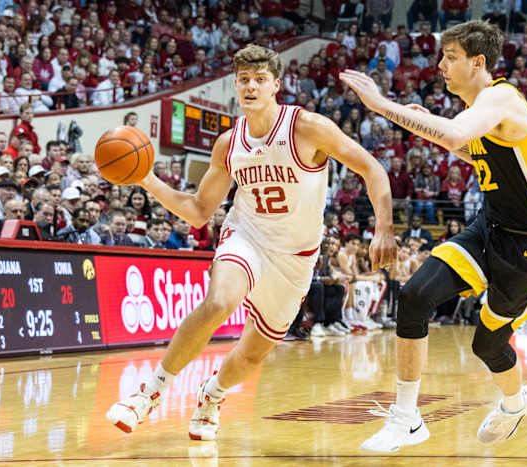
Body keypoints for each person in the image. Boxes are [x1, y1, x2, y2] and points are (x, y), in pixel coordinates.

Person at [106, 44, 396, 439]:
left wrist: (383, 228)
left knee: (253, 353)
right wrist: (146, 178)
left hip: (296, 258)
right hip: (247, 235)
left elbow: (373, 168)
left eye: (260, 79)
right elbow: (197, 210)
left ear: (276, 85)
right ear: (236, 85)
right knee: (220, 302)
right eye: (243, 80)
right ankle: (149, 392)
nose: (250, 87)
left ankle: (212, 395)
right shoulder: (229, 144)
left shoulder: (308, 127)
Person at [340, 20, 527, 452]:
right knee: (414, 295)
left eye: (451, 57)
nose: (440, 64)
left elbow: (459, 133)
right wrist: (432, 129)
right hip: (490, 228)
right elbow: (470, 147)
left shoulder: (500, 97)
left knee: (488, 344)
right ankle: (407, 418)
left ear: (478, 62)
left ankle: (515, 402)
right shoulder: (484, 109)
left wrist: (381, 104)